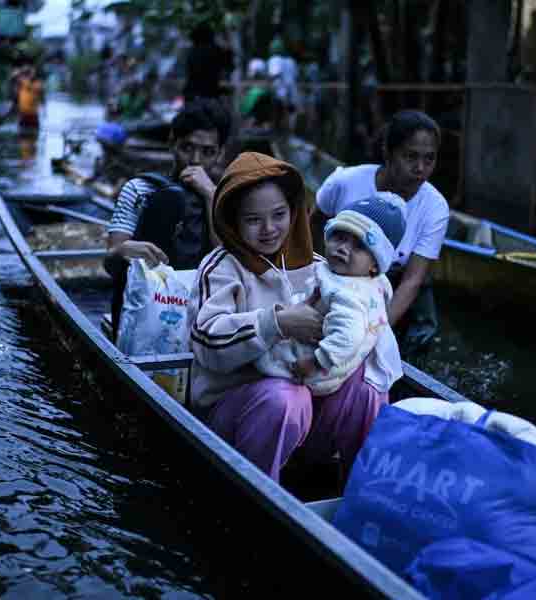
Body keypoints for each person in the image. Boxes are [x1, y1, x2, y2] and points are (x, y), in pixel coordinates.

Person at [188, 151, 390, 483]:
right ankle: (259, 493)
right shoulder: (221, 267)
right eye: (253, 220)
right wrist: (277, 323)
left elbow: (356, 319)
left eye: (279, 214)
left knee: (367, 383)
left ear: (295, 212)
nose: (268, 229)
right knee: (285, 397)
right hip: (238, 411)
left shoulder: (317, 265)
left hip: (307, 402)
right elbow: (206, 341)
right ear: (233, 221)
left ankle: (360, 485)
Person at [312, 109, 450, 352]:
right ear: (388, 152)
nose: (420, 168)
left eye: (429, 159)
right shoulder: (345, 182)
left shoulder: (435, 207)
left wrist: (373, 333)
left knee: (415, 342)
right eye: (410, 157)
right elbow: (311, 226)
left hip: (395, 280)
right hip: (339, 269)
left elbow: (413, 280)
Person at [255, 192, 405, 397]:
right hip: (337, 367)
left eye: (359, 246)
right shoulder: (375, 284)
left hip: (312, 367)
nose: (343, 249)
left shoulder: (344, 291)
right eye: (339, 238)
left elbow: (348, 336)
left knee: (261, 356)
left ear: (375, 264)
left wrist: (314, 362)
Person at [104, 97, 231, 338]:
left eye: (208, 152)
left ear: (221, 154)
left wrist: (211, 196)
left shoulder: (227, 198)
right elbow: (110, 263)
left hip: (203, 315)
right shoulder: (139, 189)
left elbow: (227, 262)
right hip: (143, 313)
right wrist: (123, 251)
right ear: (171, 143)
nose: (195, 160)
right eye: (187, 147)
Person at [183, 22, 232, 102]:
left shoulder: (192, 52)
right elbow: (229, 66)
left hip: (193, 93)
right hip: (208, 94)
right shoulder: (214, 50)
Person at [15, 66, 44, 131]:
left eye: (33, 73)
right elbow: (15, 77)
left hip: (33, 114)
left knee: (34, 131)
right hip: (23, 113)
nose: (31, 74)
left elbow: (38, 91)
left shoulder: (38, 84)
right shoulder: (22, 82)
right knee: (22, 131)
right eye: (30, 73)